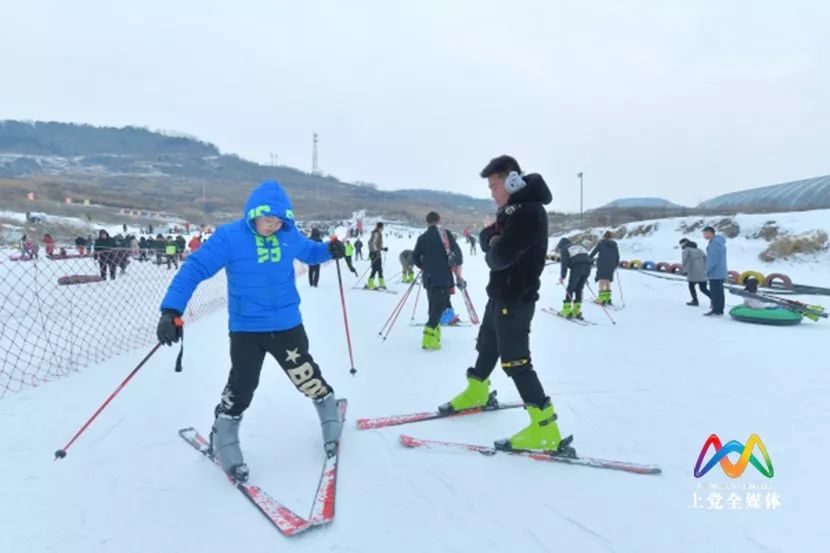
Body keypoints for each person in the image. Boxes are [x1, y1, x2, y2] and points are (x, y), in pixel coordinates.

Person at [156, 180, 346, 481]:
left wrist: (329, 249)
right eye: (268, 219)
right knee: (242, 385)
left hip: (287, 325)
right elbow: (194, 268)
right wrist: (171, 310)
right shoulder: (229, 237)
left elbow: (310, 252)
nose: (274, 225)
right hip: (247, 329)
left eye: (279, 220)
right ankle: (224, 430)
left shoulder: (288, 234)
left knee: (305, 375)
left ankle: (326, 404)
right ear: (253, 213)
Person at [440, 155, 569, 454]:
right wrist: (492, 238)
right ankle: (477, 392)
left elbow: (498, 257)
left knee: (516, 361)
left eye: (494, 185)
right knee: (487, 345)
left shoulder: (528, 213)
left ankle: (545, 427)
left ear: (512, 181)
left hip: (516, 296)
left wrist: (493, 240)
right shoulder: (512, 211)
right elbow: (491, 243)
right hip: (500, 294)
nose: (492, 193)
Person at [412, 212, 464, 350]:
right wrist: (453, 260)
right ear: (439, 220)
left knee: (433, 305)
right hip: (443, 278)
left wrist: (422, 264)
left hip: (428, 279)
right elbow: (459, 256)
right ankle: (428, 339)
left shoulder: (422, 238)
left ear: (427, 222)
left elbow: (415, 257)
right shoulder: (445, 234)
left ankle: (435, 335)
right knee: (439, 308)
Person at [555, 237, 592, 319]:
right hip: (588, 267)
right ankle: (576, 311)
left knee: (570, 288)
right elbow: (585, 257)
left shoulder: (564, 249)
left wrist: (562, 277)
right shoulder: (579, 246)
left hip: (577, 267)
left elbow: (564, 264)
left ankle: (566, 310)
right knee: (579, 288)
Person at [589, 231, 619, 305]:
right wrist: (615, 264)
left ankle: (601, 299)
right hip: (611, 265)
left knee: (602, 280)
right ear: (611, 237)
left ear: (604, 236)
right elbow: (617, 255)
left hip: (602, 264)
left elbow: (594, 252)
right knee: (607, 280)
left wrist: (588, 259)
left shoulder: (601, 243)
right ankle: (608, 298)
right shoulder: (614, 245)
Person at [703, 226, 727, 316]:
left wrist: (708, 269)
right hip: (720, 271)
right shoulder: (719, 242)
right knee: (719, 292)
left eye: (705, 233)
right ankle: (719, 309)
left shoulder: (714, 243)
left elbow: (713, 259)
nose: (704, 235)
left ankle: (716, 310)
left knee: (715, 292)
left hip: (715, 272)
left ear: (710, 233)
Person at [679, 238, 710, 307]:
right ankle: (714, 300)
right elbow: (706, 259)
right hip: (702, 272)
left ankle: (695, 300)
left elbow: (685, 261)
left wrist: (684, 271)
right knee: (703, 289)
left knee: (691, 286)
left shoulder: (686, 250)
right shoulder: (699, 250)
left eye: (681, 244)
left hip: (692, 272)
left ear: (684, 243)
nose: (681, 245)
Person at [366, 222, 388, 289]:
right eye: (382, 227)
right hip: (374, 253)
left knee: (380, 269)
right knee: (375, 268)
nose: (383, 229)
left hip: (377, 253)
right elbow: (371, 243)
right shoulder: (376, 233)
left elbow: (377, 244)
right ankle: (370, 283)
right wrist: (374, 251)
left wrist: (383, 249)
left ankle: (381, 283)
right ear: (380, 227)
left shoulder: (379, 233)